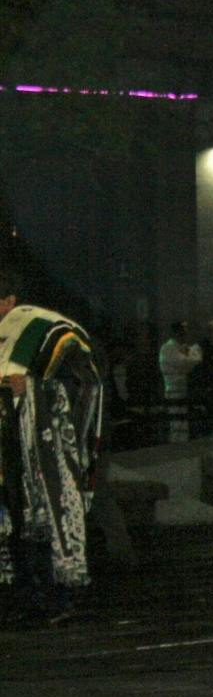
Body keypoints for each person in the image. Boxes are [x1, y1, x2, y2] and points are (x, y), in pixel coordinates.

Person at [0, 267, 102, 627]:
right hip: (9, 454)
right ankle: (23, 597)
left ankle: (60, 597)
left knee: (47, 522)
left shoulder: (52, 332)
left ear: (11, 300)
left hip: (49, 456)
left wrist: (33, 390)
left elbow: (88, 385)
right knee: (13, 526)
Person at [157, 321, 201, 406]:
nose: (186, 334)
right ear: (176, 333)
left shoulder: (183, 348)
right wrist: (191, 358)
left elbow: (196, 360)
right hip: (174, 392)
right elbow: (185, 363)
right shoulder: (168, 348)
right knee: (176, 417)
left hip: (185, 392)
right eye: (184, 332)